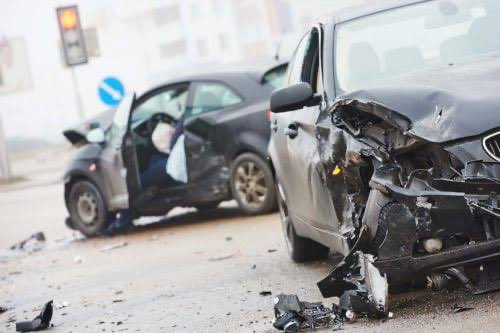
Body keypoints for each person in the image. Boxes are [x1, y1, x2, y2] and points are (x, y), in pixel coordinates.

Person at [101, 115, 185, 236]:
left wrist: (171, 135)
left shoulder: (189, 114)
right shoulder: (194, 112)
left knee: (136, 183)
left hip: (176, 162)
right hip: (177, 156)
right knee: (153, 159)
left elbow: (174, 141)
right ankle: (154, 191)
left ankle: (123, 222)